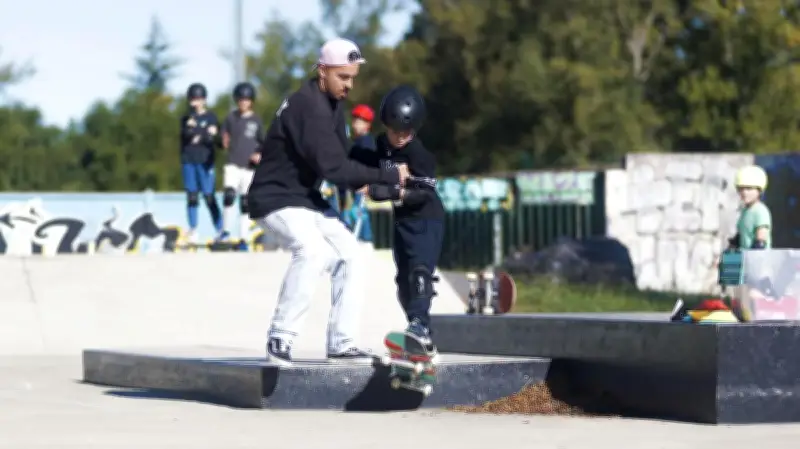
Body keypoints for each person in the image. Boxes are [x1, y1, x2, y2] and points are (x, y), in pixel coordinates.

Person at [246, 37, 410, 365]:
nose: (349, 85)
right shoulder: (308, 106)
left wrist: (385, 166)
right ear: (323, 71)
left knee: (351, 254)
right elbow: (334, 169)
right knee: (312, 251)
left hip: (304, 197)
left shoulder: (332, 105)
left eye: (352, 78)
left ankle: (342, 343)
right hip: (273, 197)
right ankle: (280, 338)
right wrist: (389, 175)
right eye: (342, 77)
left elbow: (343, 157)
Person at [352, 85, 445, 350]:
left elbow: (424, 193)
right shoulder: (381, 145)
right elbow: (362, 161)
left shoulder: (420, 155)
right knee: (403, 282)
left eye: (406, 133)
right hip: (402, 221)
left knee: (420, 271)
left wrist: (389, 191)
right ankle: (419, 331)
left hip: (427, 219)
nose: (400, 138)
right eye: (395, 132)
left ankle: (420, 325)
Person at [221, 81, 265, 250]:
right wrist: (222, 139)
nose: (243, 103)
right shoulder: (231, 118)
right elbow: (222, 137)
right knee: (229, 195)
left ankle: (243, 238)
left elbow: (263, 143)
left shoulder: (256, 120)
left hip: (249, 167)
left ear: (251, 101)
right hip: (233, 163)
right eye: (240, 100)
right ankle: (225, 231)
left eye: (246, 100)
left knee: (245, 203)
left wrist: (259, 154)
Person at [180, 83, 224, 243]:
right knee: (192, 196)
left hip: (205, 161)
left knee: (208, 196)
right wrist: (202, 132)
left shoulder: (211, 117)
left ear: (204, 100)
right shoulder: (186, 118)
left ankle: (220, 230)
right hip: (188, 160)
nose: (195, 102)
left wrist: (200, 133)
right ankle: (193, 230)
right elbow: (186, 136)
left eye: (198, 99)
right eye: (193, 99)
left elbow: (216, 139)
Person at [728, 165, 772, 250]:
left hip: (758, 256)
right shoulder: (745, 211)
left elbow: (761, 241)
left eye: (749, 188)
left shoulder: (761, 211)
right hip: (745, 256)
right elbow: (741, 235)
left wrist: (752, 256)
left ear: (759, 190)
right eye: (741, 189)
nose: (744, 192)